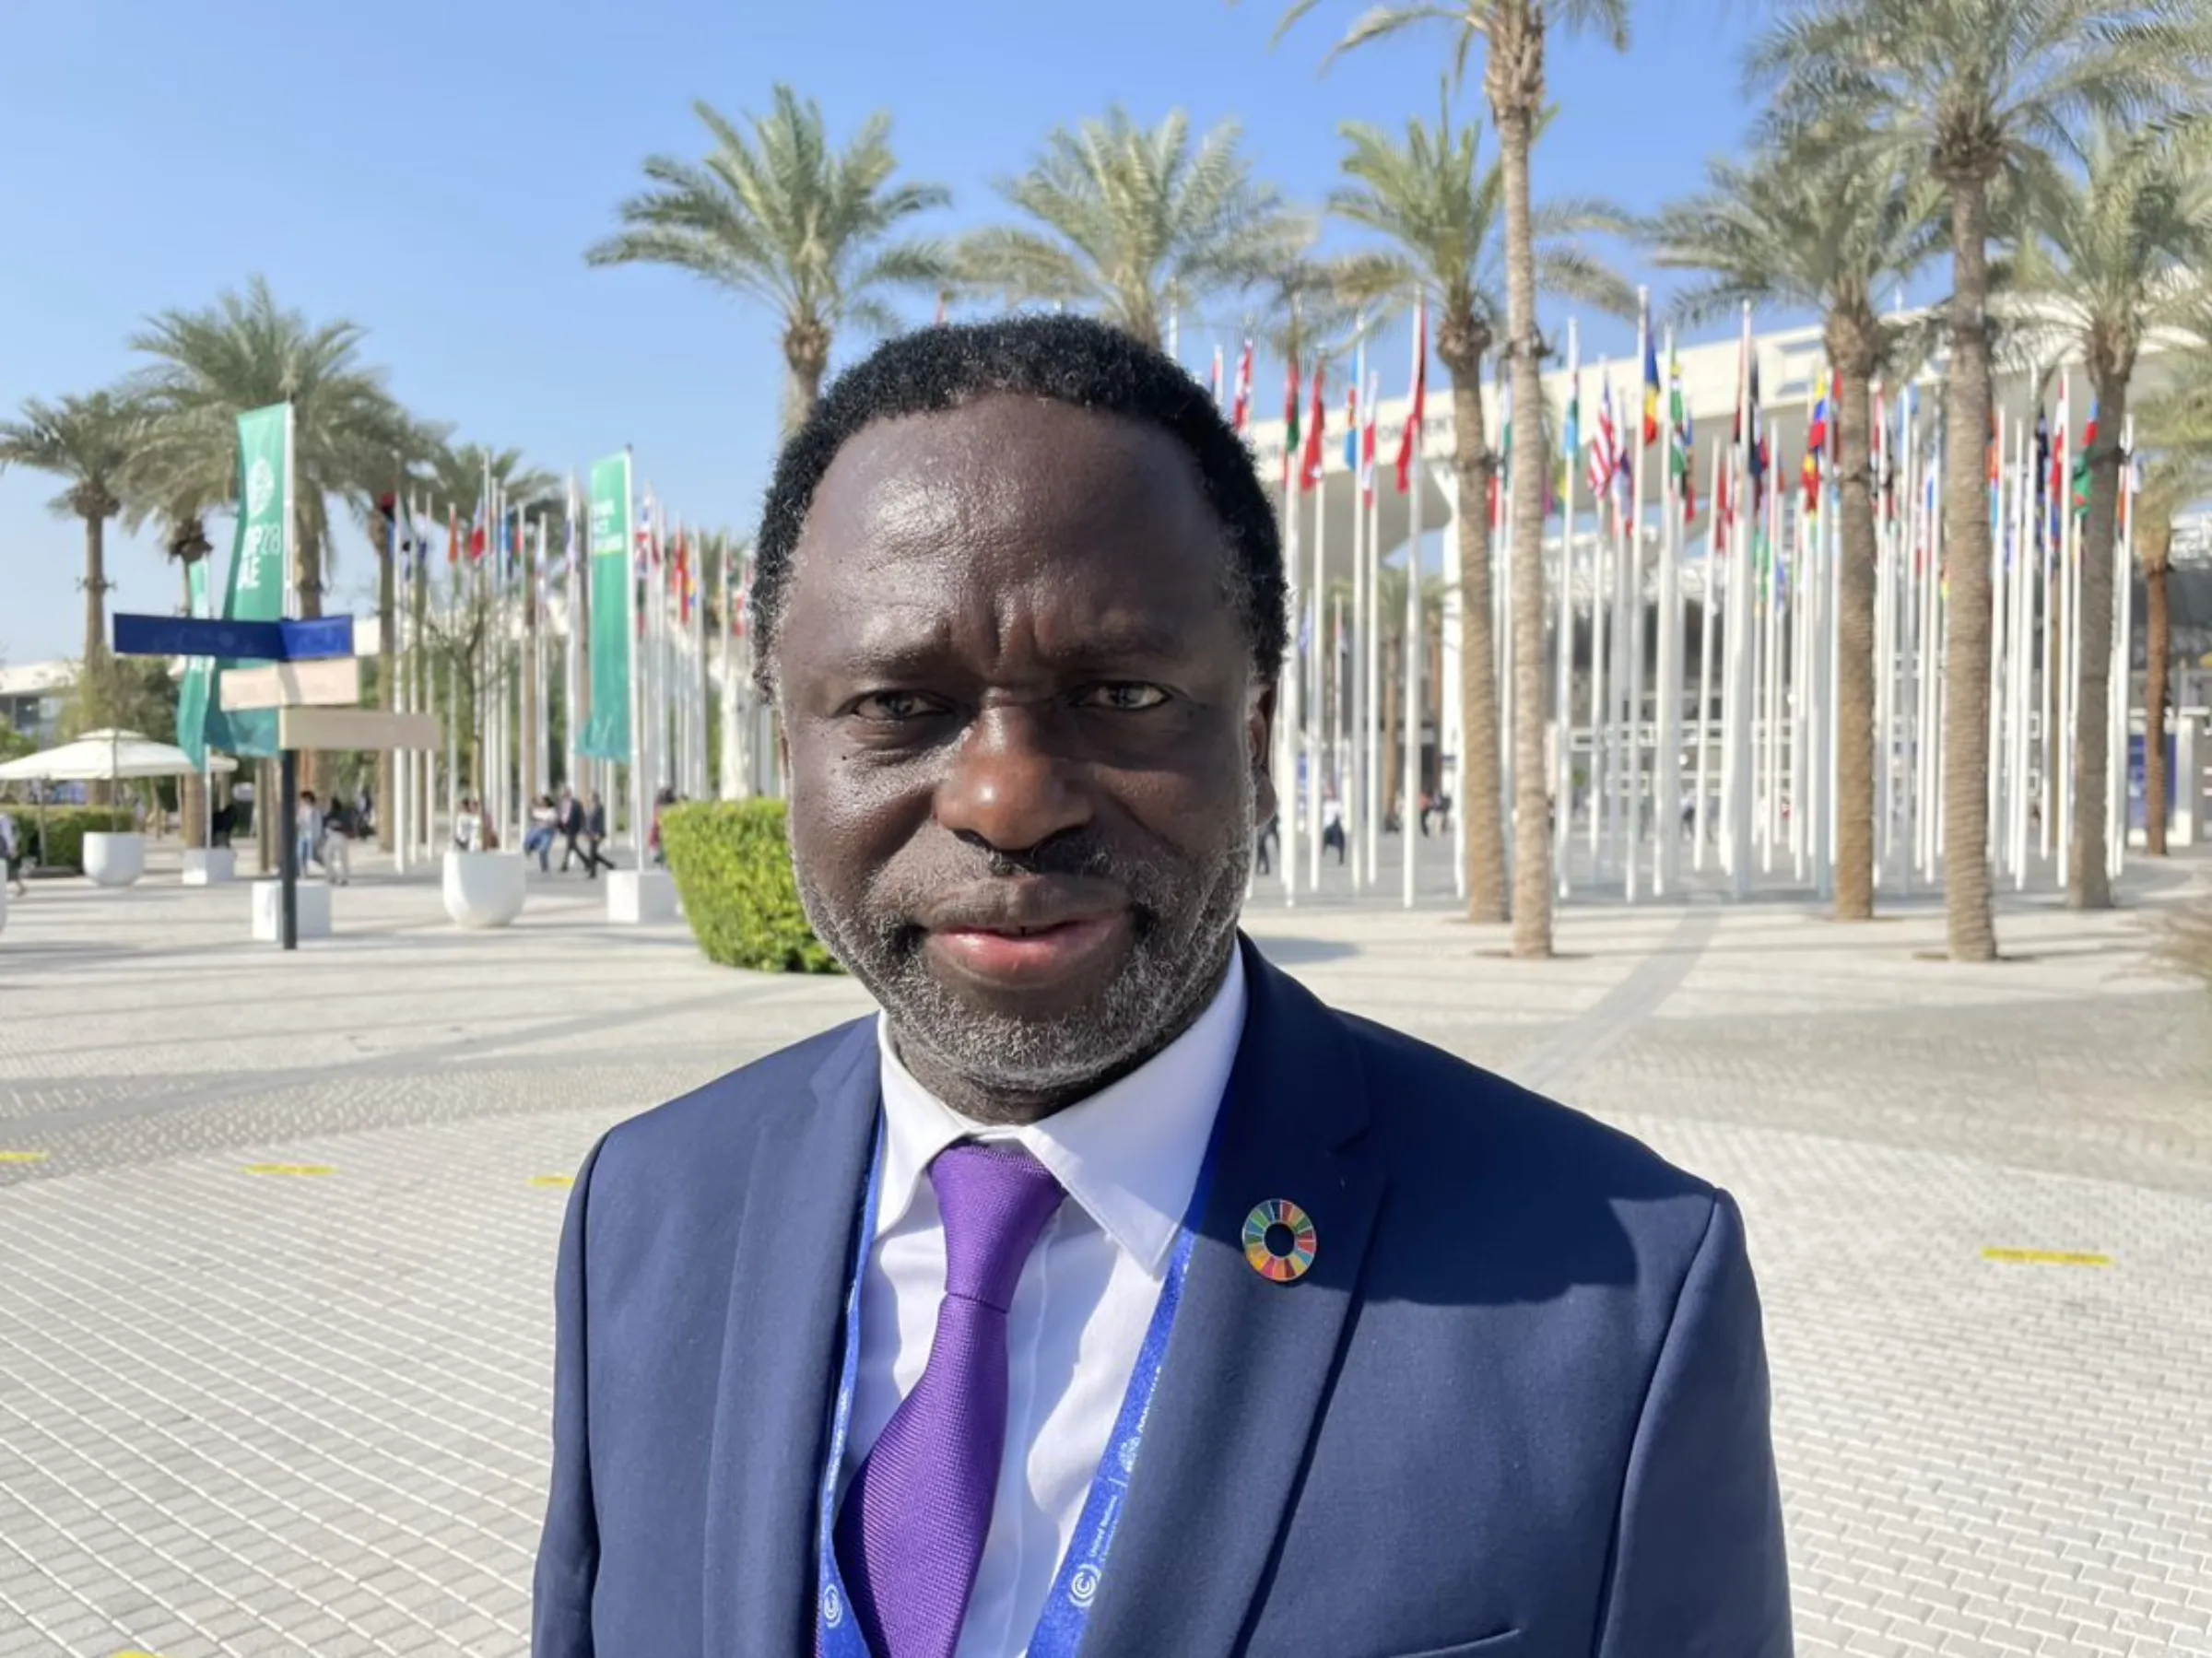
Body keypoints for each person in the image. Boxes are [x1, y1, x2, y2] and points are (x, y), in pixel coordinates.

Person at [533, 318, 1790, 1658]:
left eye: (1121, 692)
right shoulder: (650, 1212)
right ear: (791, 733)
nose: (1006, 800)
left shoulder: (1618, 1301)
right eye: (901, 704)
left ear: (1253, 728)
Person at [322, 794, 353, 886]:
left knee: (342, 857)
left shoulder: (342, 814)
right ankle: (331, 875)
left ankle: (344, 877)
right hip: (330, 836)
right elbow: (324, 824)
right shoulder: (328, 815)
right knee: (327, 855)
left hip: (340, 836)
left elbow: (347, 826)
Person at [524, 795, 560, 873]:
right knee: (527, 843)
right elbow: (532, 815)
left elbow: (553, 821)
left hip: (548, 832)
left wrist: (543, 820)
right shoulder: (537, 810)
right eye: (540, 801)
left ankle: (545, 868)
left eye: (542, 801)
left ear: (546, 802)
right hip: (538, 830)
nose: (541, 803)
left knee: (543, 851)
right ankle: (530, 850)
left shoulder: (551, 811)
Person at [582, 793, 611, 877]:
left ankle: (593, 873)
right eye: (589, 797)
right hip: (590, 833)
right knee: (593, 853)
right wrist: (585, 833)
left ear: (595, 798)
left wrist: (598, 833)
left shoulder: (600, 808)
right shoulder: (589, 807)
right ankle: (609, 864)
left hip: (597, 833)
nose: (589, 798)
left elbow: (600, 821)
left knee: (592, 853)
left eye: (590, 797)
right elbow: (587, 821)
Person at [295, 789, 323, 875]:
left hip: (311, 835)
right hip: (302, 834)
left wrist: (318, 836)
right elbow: (298, 821)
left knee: (310, 855)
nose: (302, 801)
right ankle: (303, 871)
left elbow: (318, 824)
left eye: (303, 799)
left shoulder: (315, 810)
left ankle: (322, 866)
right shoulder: (301, 809)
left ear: (308, 799)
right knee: (300, 853)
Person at [0, 805, 25, 897]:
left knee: (6, 867)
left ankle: (20, 887)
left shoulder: (3, 819)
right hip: (3, 846)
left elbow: (8, 835)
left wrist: (12, 848)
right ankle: (21, 887)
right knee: (8, 868)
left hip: (3, 847)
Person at [1321, 790, 1347, 864]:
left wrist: (1338, 815)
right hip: (1327, 825)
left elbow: (1341, 814)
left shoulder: (1337, 804)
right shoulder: (1325, 804)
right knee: (1325, 839)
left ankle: (1341, 857)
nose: (1330, 797)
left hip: (1335, 824)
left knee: (1340, 841)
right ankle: (1323, 850)